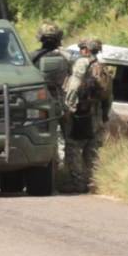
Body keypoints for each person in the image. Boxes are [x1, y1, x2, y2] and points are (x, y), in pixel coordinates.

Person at [62, 38, 113, 193]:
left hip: (82, 113)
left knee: (73, 147)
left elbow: (74, 85)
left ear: (86, 50)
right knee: (92, 150)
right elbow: (109, 96)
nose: (80, 51)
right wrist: (104, 114)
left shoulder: (82, 63)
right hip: (97, 114)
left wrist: (69, 107)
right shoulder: (102, 67)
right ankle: (93, 183)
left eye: (82, 48)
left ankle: (77, 184)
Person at [31, 21, 71, 169]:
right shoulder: (67, 57)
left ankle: (48, 169)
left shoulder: (30, 57)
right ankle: (66, 172)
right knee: (68, 140)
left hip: (39, 104)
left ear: (40, 38)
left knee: (42, 137)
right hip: (61, 102)